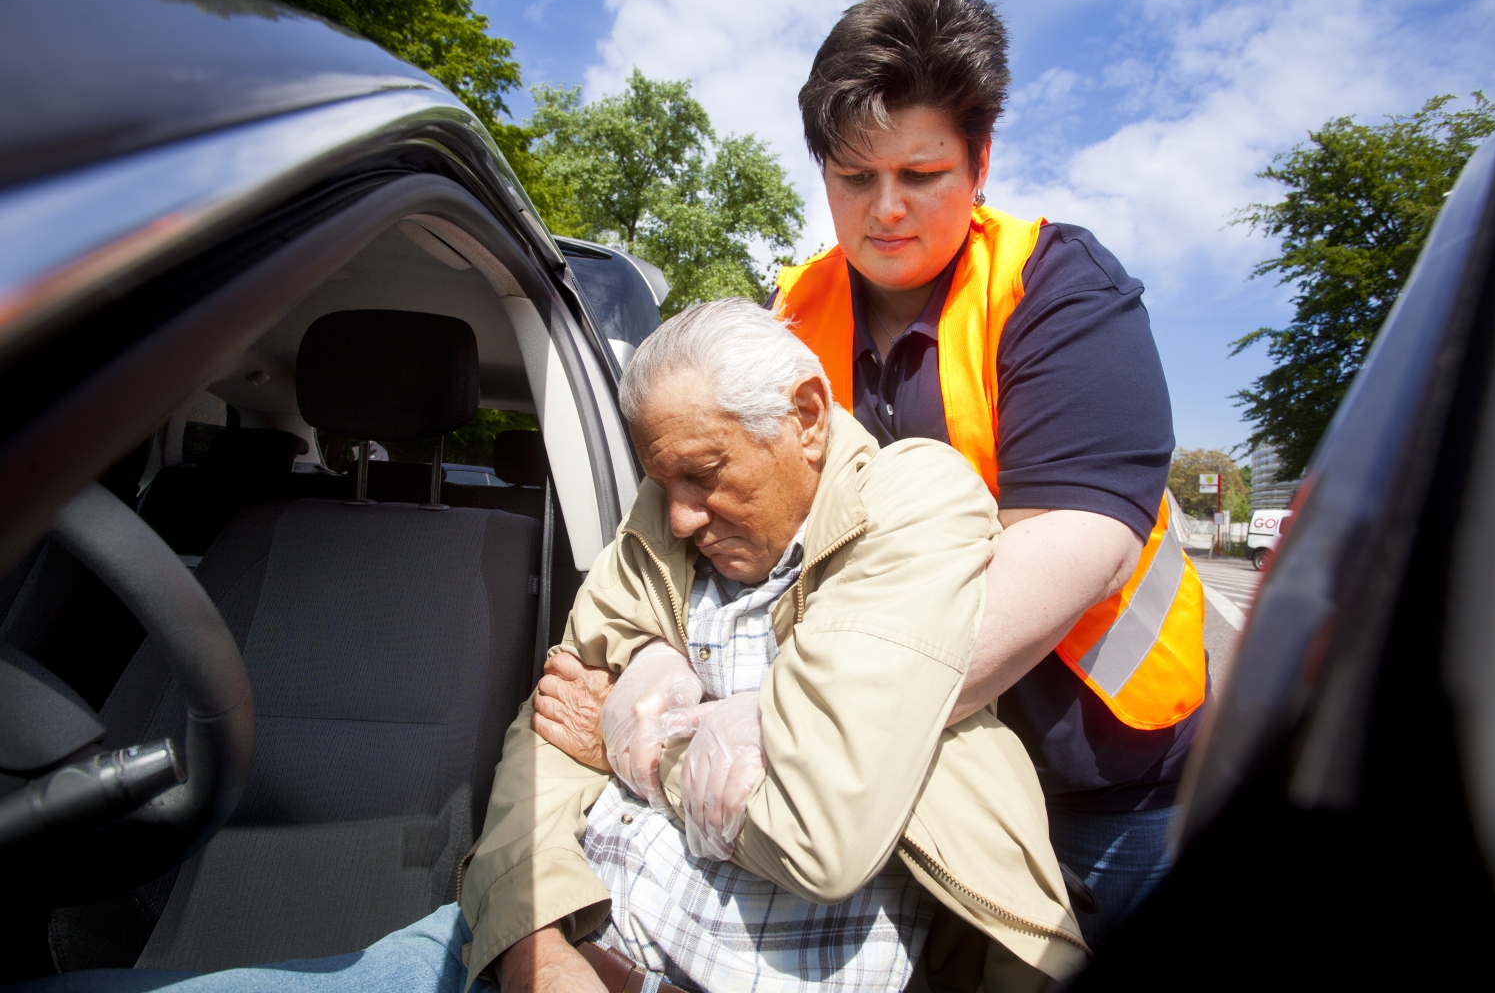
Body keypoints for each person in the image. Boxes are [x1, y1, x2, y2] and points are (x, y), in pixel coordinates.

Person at [15, 300, 1085, 993]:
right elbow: (544, 723)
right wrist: (534, 946)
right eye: (659, 483)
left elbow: (816, 830)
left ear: (808, 416)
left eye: (705, 473)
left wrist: (638, 734)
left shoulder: (910, 500)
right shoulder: (663, 526)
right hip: (550, 939)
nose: (675, 518)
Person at [768, 0, 1207, 948]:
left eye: (922, 174)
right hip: (906, 774)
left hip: (1103, 787)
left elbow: (1073, 542)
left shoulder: (1059, 289)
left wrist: (812, 716)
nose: (886, 209)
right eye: (854, 177)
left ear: (980, 164)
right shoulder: (789, 320)